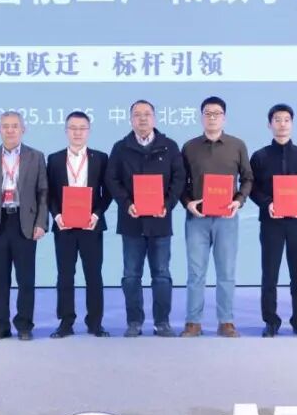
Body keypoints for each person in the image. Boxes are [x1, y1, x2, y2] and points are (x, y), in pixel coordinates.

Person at [105, 100, 186, 338]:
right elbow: (112, 180)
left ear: (155, 118)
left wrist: (167, 204)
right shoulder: (120, 147)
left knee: (161, 274)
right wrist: (127, 204)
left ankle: (162, 322)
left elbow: (179, 179)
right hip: (132, 221)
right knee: (131, 275)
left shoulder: (169, 146)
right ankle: (134, 321)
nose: (142, 118)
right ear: (130, 119)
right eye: (137, 115)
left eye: (147, 114)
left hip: (160, 221)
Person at [179, 96, 254, 337]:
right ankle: (193, 322)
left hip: (226, 219)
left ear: (224, 118)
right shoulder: (189, 147)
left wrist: (238, 201)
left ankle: (226, 321)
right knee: (195, 272)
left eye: (217, 113)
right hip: (197, 219)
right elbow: (179, 182)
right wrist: (188, 203)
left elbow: (248, 178)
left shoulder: (237, 145)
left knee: (226, 272)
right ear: (201, 117)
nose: (212, 117)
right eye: (208, 113)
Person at [0, 111, 48, 341]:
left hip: (25, 223)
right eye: (5, 126)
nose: (10, 130)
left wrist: (41, 222)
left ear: (23, 129)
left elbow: (43, 193)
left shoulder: (36, 157)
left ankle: (24, 325)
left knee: (26, 279)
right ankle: (0, 325)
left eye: (15, 126)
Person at [248, 103, 297, 337]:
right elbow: (252, 188)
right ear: (269, 124)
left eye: (287, 120)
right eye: (277, 120)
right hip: (271, 221)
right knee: (270, 272)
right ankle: (271, 320)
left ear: (292, 124)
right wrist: (268, 204)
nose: (282, 124)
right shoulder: (259, 156)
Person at [46, 111, 112, 338]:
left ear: (89, 131)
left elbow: (107, 192)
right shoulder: (54, 159)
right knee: (65, 275)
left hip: (91, 226)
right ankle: (66, 322)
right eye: (73, 128)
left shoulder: (100, 158)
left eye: (82, 128)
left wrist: (96, 214)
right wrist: (56, 215)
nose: (77, 132)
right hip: (64, 226)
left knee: (93, 275)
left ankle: (95, 322)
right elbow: (48, 192)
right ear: (66, 131)